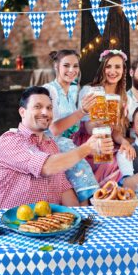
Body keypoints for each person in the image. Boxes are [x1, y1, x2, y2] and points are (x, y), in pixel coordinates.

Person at [0, 86, 113, 209]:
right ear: (22, 112)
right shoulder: (9, 140)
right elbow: (46, 167)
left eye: (49, 108)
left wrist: (80, 217)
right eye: (38, 107)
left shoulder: (51, 145)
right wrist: (87, 148)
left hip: (46, 224)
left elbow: (63, 188)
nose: (45, 112)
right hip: (6, 222)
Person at [43, 50, 100, 205]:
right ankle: (85, 217)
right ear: (56, 66)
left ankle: (86, 220)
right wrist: (81, 111)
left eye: (75, 66)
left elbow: (82, 124)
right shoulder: (49, 90)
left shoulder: (75, 90)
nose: (71, 70)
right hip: (50, 144)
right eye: (66, 65)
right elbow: (54, 129)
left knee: (86, 171)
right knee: (83, 172)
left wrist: (105, 118)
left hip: (69, 143)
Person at [73, 49, 135, 186]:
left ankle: (119, 194)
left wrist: (124, 141)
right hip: (89, 141)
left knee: (125, 154)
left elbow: (116, 132)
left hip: (109, 142)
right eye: (108, 66)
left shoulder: (124, 98)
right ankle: (96, 197)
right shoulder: (90, 91)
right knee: (109, 162)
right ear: (102, 69)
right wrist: (99, 123)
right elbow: (84, 127)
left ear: (123, 70)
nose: (113, 71)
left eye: (117, 67)